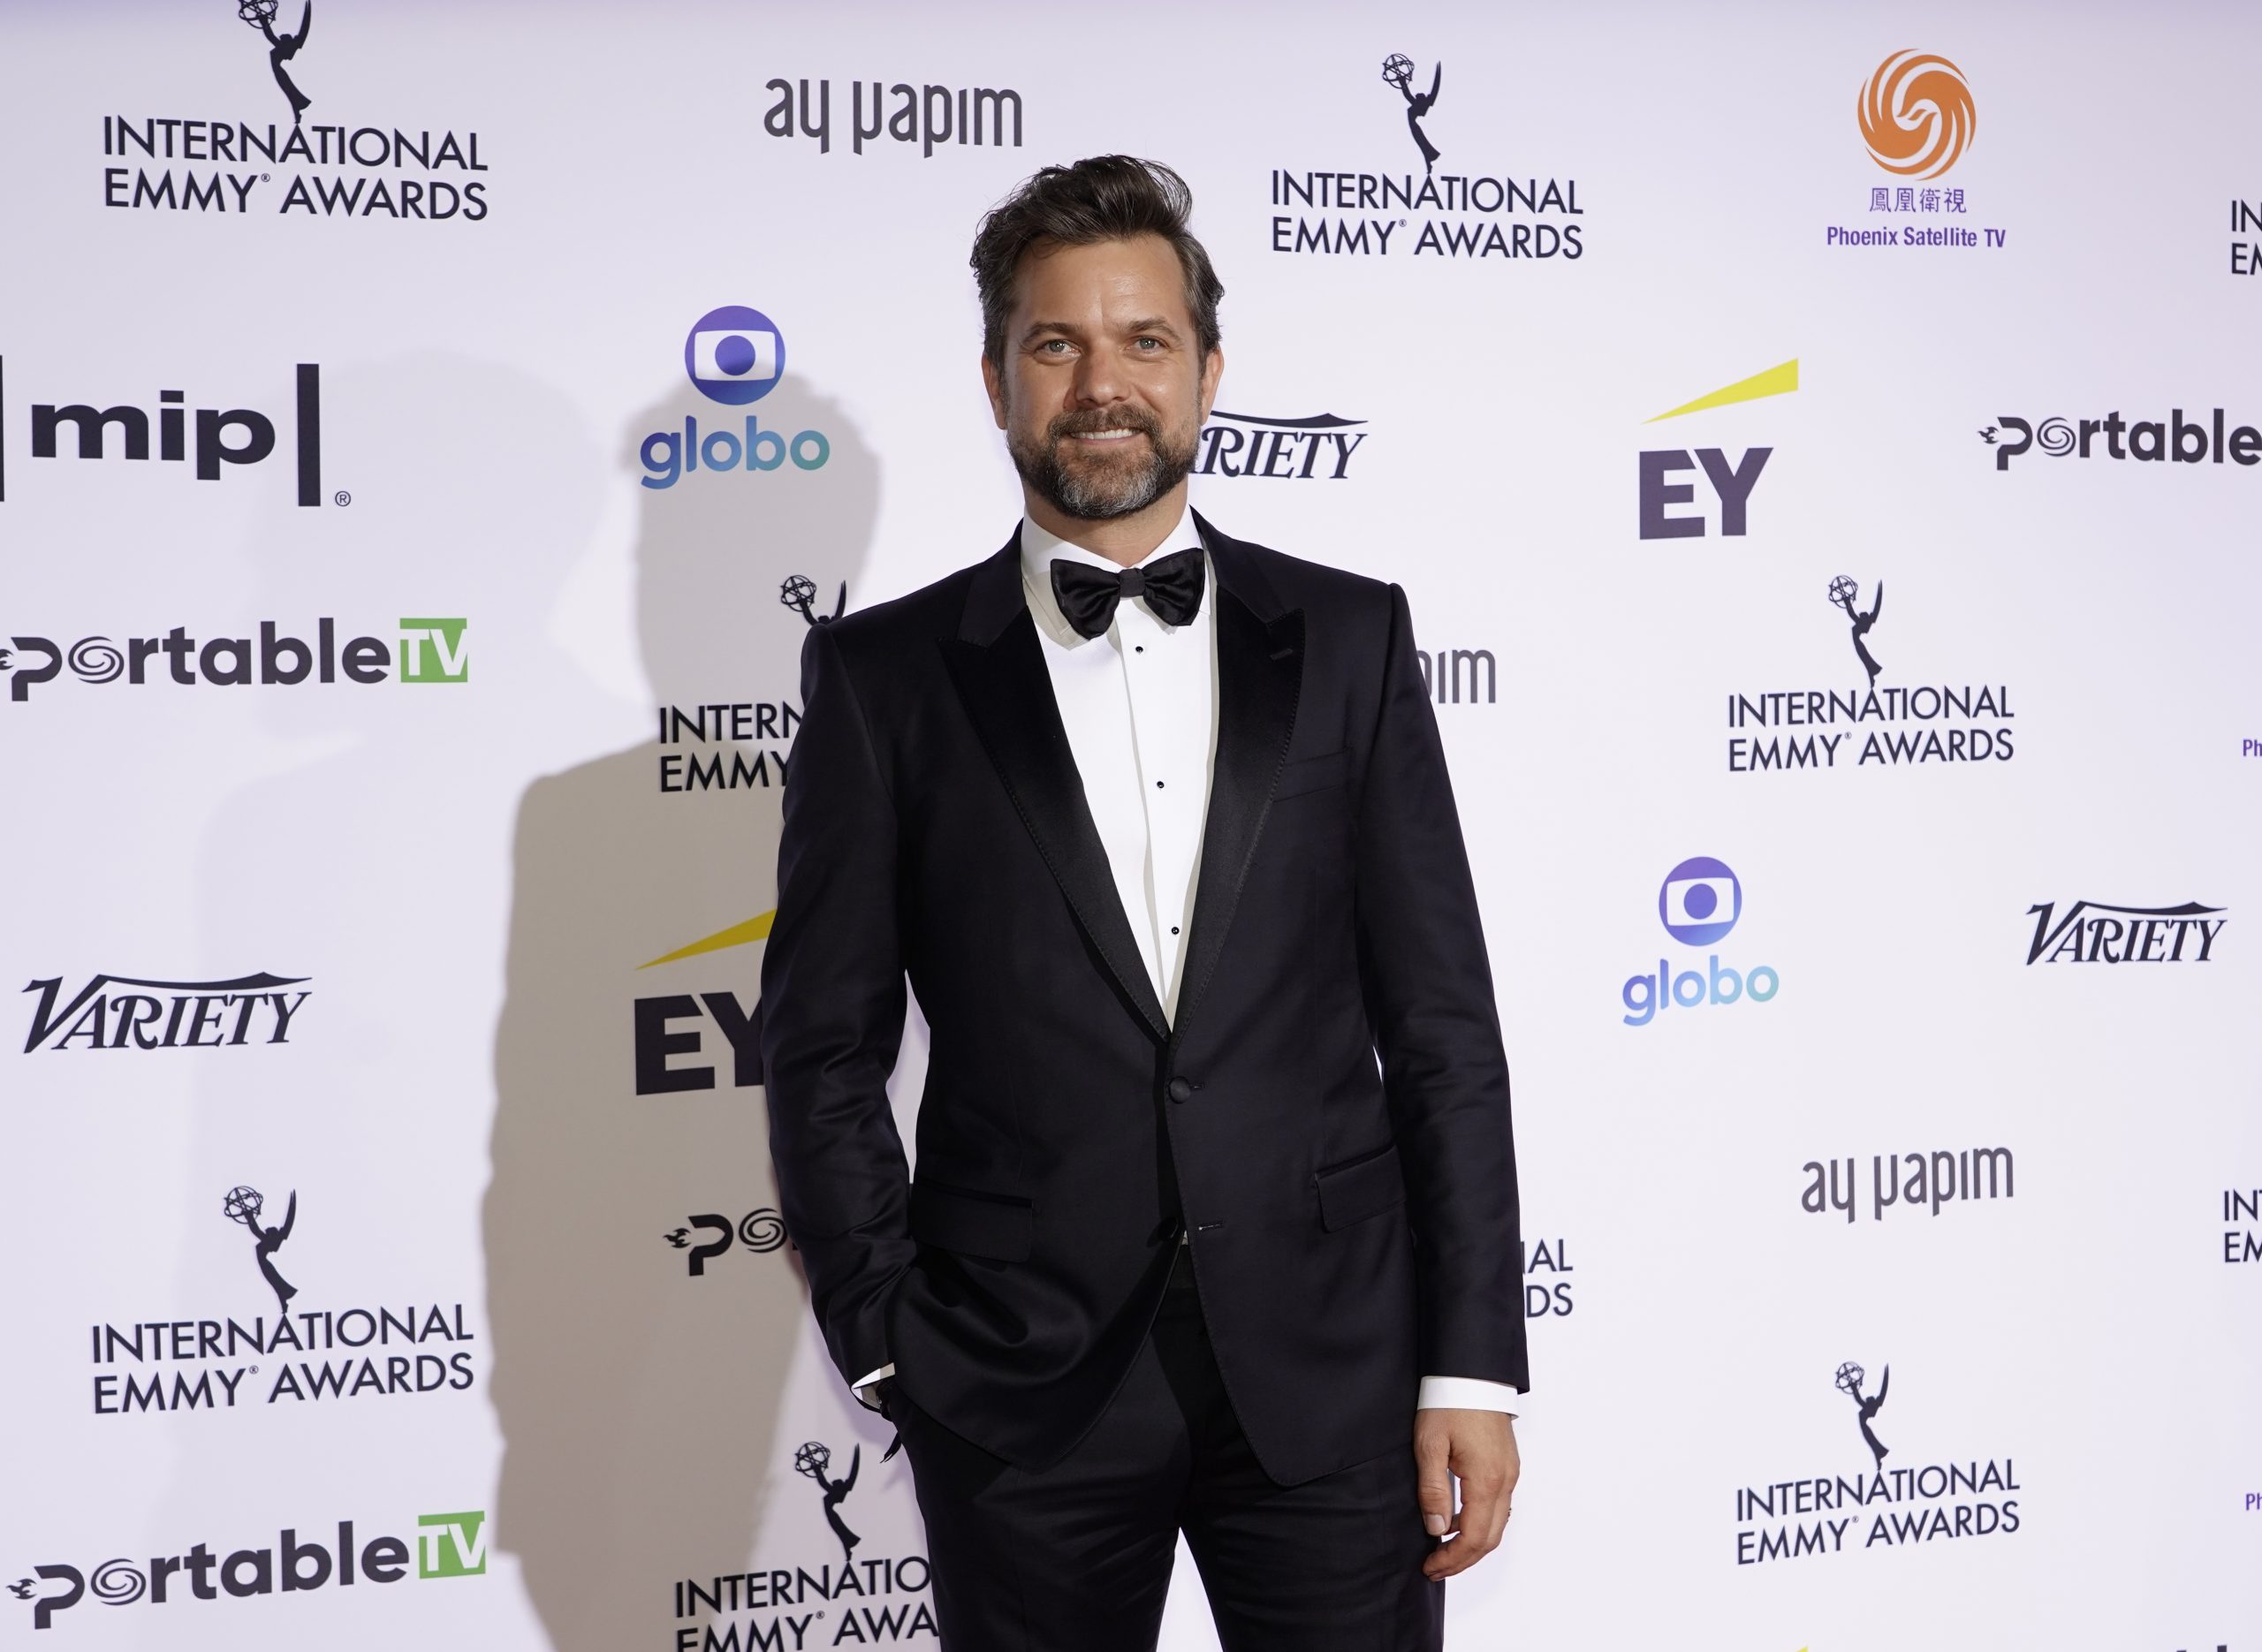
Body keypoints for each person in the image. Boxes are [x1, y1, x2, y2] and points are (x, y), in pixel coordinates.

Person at [762, 155, 1528, 1650]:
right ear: (995, 381)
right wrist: (885, 1345)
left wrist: (1472, 1367)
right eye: (1056, 344)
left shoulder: (1352, 637)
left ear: (1209, 371)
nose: (1101, 383)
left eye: (1144, 341)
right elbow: (819, 1044)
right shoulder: (883, 683)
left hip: (1334, 1375)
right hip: (1016, 1389)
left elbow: (1440, 1022)